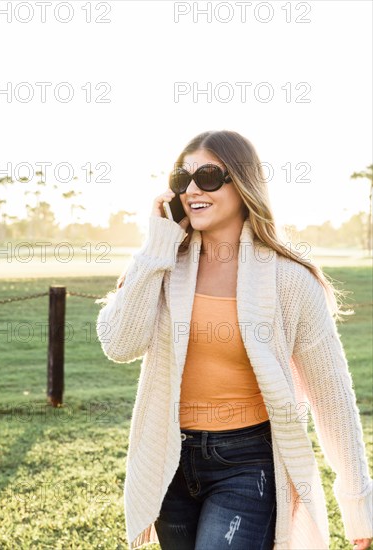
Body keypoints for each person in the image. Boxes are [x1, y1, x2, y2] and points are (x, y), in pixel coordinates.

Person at [96, 130, 373, 550]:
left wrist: (358, 505)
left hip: (247, 464)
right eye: (180, 178)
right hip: (169, 460)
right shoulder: (163, 266)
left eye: (208, 175)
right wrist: (156, 247)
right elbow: (119, 344)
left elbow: (332, 396)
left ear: (243, 185)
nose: (191, 189)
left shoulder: (290, 280)